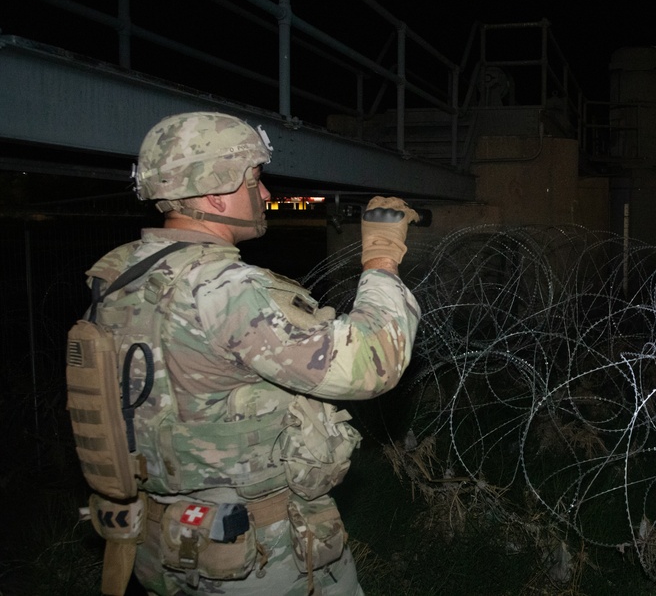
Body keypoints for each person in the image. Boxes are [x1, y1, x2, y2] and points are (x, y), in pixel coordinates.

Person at [78, 111, 421, 595]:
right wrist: (382, 258)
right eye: (254, 180)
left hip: (162, 545)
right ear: (216, 190)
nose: (265, 195)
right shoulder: (222, 290)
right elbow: (370, 364)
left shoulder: (116, 278)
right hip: (258, 560)